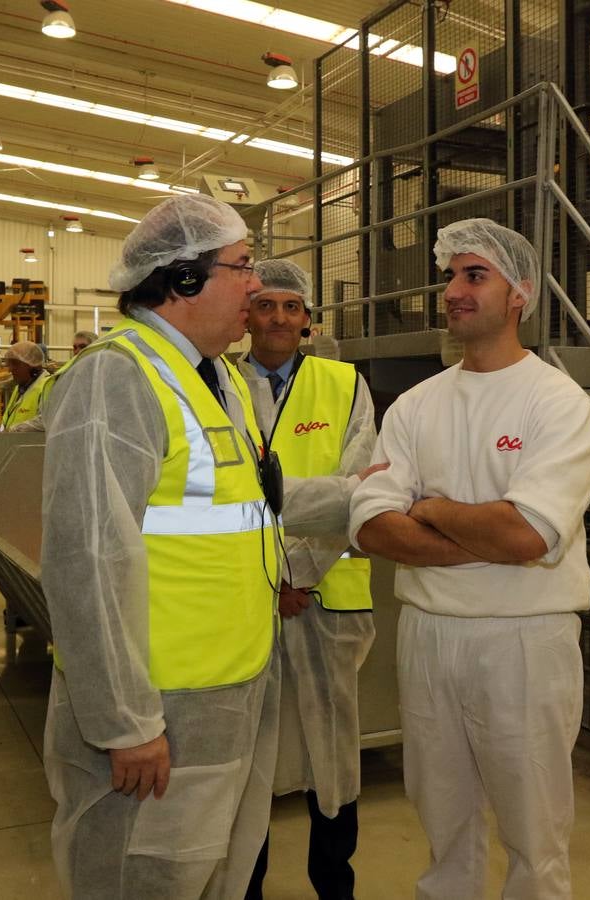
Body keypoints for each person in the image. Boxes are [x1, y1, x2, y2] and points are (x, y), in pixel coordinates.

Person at [348, 218, 590, 899]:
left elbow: (527, 537)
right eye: (449, 277)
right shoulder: (415, 406)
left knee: (533, 831)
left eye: (474, 275)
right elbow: (372, 526)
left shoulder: (559, 404)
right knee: (442, 822)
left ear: (519, 293)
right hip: (429, 636)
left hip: (524, 639)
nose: (453, 291)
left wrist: (429, 507)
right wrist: (487, 534)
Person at [39, 193, 285, 899]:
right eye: (242, 266)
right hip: (158, 710)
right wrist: (125, 722)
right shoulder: (117, 375)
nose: (255, 285)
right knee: (138, 876)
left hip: (226, 688)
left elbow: (244, 502)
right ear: (183, 279)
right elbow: (86, 559)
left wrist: (358, 497)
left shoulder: (216, 378)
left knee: (207, 872)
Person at [238, 259, 377, 900]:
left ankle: (334, 883)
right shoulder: (217, 384)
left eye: (291, 307)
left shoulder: (345, 384)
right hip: (246, 601)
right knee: (250, 753)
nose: (278, 318)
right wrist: (270, 582)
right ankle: (248, 884)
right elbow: (223, 493)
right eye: (266, 305)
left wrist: (292, 573)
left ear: (308, 320)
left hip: (327, 597)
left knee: (332, 749)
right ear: (246, 315)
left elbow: (359, 489)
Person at [0, 339, 51, 432]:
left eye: (15, 364)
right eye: (10, 364)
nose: (10, 369)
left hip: (30, 441)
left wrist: (14, 430)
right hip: (11, 440)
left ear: (31, 365)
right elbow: (8, 418)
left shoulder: (47, 386)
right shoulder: (19, 388)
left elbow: (46, 421)